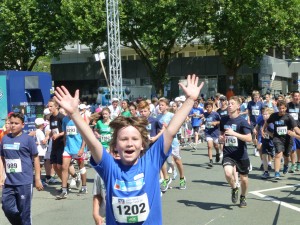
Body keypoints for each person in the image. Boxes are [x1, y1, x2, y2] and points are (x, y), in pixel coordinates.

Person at [54, 74, 203, 224]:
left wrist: (190, 100)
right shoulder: (110, 167)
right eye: (124, 139)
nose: (130, 143)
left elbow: (170, 131)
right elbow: (92, 143)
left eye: (135, 139)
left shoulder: (151, 161)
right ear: (115, 145)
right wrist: (73, 113)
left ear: (143, 144)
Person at [1, 112, 43, 224]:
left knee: (24, 213)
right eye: (11, 123)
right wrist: (1, 175)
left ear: (23, 125)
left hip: (24, 182)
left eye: (16, 123)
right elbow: (2, 157)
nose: (13, 125)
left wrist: (38, 179)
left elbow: (36, 159)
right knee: (7, 208)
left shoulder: (28, 139)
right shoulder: (5, 139)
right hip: (9, 182)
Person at [219, 96, 252, 208]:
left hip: (241, 154)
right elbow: (221, 135)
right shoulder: (223, 119)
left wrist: (234, 134)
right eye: (228, 103)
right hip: (228, 153)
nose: (229, 105)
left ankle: (243, 196)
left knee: (244, 179)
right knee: (228, 173)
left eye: (232, 103)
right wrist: (221, 139)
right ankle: (234, 188)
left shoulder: (242, 121)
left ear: (238, 106)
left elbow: (249, 138)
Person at [262, 100, 300, 179]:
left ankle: (286, 165)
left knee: (286, 156)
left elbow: (295, 127)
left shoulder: (289, 117)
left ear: (286, 108)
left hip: (288, 139)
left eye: (283, 108)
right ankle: (277, 173)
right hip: (277, 138)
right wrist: (263, 129)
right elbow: (267, 122)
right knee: (278, 154)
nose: (281, 110)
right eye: (279, 108)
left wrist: (298, 133)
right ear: (277, 108)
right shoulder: (274, 115)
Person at [157, 97, 187, 190]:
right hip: (163, 141)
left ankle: (182, 178)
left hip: (173, 141)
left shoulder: (171, 115)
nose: (160, 107)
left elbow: (177, 126)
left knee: (177, 160)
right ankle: (166, 178)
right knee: (162, 160)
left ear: (166, 106)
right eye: (159, 105)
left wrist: (168, 127)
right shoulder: (157, 117)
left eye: (162, 105)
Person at [56, 115, 87, 199]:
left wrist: (82, 148)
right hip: (68, 148)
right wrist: (65, 145)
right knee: (64, 167)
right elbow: (65, 133)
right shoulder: (65, 119)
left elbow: (85, 135)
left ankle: (84, 187)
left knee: (81, 166)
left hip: (78, 148)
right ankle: (64, 191)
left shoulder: (79, 119)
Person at [48, 99, 65, 182]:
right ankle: (65, 182)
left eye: (51, 106)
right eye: (48, 106)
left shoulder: (62, 117)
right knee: (54, 166)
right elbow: (53, 130)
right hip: (54, 144)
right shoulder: (51, 117)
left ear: (56, 106)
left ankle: (73, 176)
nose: (49, 108)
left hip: (62, 143)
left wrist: (58, 135)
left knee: (60, 166)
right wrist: (47, 136)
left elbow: (66, 131)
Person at [203, 100, 221, 166]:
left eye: (209, 107)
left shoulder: (215, 114)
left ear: (212, 107)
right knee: (209, 146)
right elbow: (204, 120)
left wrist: (216, 122)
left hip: (215, 132)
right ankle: (210, 161)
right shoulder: (205, 114)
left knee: (216, 146)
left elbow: (220, 121)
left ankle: (217, 153)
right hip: (208, 132)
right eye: (207, 107)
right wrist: (201, 123)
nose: (208, 108)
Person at [247, 90, 264, 156]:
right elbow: (248, 112)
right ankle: (255, 146)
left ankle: (257, 149)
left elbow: (263, 112)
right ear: (253, 97)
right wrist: (248, 120)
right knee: (253, 136)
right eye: (255, 96)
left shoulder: (261, 103)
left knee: (258, 135)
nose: (256, 97)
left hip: (259, 121)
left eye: (257, 96)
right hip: (252, 121)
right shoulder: (250, 103)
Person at [286, 91, 300, 173]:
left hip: (299, 129)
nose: (297, 97)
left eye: (298, 96)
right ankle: (293, 164)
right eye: (295, 96)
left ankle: (299, 162)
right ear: (292, 97)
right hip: (291, 129)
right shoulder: (288, 105)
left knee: (299, 148)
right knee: (292, 148)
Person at [260, 108, 274, 179]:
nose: (264, 115)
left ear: (270, 115)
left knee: (274, 157)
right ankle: (266, 172)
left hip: (272, 143)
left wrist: (268, 132)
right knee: (264, 156)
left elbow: (274, 136)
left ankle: (276, 171)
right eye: (263, 114)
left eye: (266, 114)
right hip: (264, 142)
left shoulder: (271, 124)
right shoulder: (262, 122)